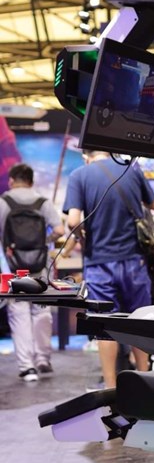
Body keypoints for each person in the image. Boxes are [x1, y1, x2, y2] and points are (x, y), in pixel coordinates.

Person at [63, 150, 154, 388]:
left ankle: (110, 387)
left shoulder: (79, 175)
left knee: (104, 324)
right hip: (133, 259)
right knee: (139, 320)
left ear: (86, 155)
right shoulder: (131, 170)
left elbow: (73, 221)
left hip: (99, 262)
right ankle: (145, 381)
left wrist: (81, 236)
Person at [0, 163, 64, 381]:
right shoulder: (43, 202)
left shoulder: (3, 203)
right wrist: (44, 242)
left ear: (11, 181)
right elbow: (59, 230)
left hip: (12, 268)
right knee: (42, 311)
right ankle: (43, 358)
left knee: (18, 313)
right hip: (40, 265)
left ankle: (27, 367)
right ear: (31, 181)